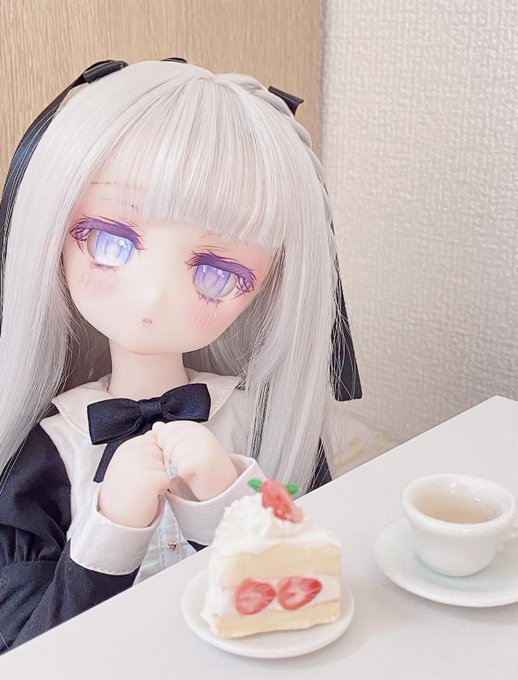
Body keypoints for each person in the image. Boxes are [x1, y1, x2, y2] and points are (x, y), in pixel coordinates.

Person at [0, 59, 361, 652]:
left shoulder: (263, 422)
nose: (153, 295)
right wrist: (112, 529)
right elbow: (24, 647)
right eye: (111, 241)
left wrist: (223, 502)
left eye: (218, 273)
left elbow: (307, 593)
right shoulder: (47, 454)